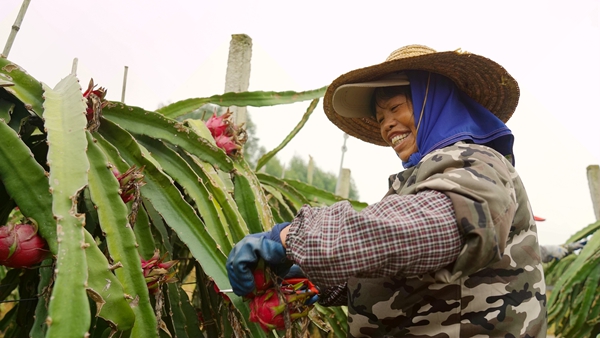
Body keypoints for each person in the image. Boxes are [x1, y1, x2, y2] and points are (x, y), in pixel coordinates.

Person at [227, 45, 547, 337]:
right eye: (381, 118)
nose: (387, 125)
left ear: (433, 101)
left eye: (395, 108)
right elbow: (397, 265)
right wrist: (308, 275)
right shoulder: (421, 180)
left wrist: (290, 238)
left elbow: (428, 229)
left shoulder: (478, 163)